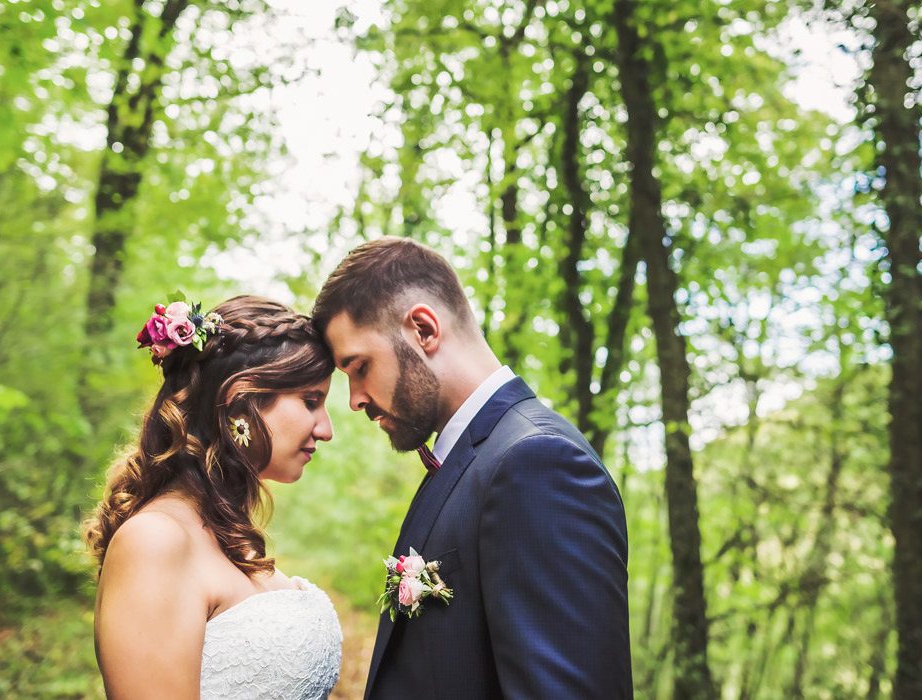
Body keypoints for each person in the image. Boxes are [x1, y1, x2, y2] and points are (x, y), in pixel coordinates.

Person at [313, 238, 632, 699]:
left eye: (359, 366)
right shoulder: (472, 459)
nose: (355, 399)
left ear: (423, 329)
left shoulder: (538, 463)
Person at [85, 295, 342, 699]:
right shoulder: (155, 541)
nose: (325, 429)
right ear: (241, 400)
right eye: (311, 401)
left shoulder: (229, 535)